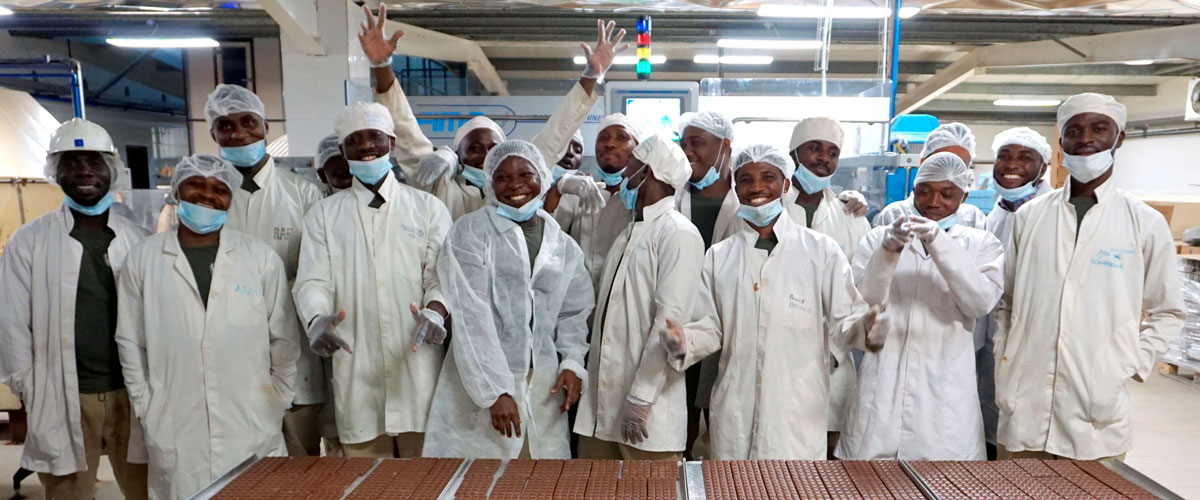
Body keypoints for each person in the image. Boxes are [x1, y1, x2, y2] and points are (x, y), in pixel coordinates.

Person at [658, 144, 881, 460]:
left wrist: (866, 327)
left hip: (796, 414)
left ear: (786, 185)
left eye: (768, 177)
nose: (756, 187)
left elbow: (846, 320)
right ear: (736, 188)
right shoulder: (720, 256)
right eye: (746, 179)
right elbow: (711, 327)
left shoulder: (820, 251)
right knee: (733, 484)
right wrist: (685, 341)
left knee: (793, 484)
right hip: (734, 411)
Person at [994, 93, 1185, 461]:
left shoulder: (1143, 223)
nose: (1085, 139)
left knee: (1095, 485)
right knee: (1019, 484)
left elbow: (1168, 311)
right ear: (1061, 141)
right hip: (1024, 402)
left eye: (1099, 129)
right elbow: (1007, 301)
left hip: (1097, 410)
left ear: (1119, 139)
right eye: (1073, 131)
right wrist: (1005, 358)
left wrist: (1128, 362)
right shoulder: (1030, 217)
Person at [116, 154, 299, 500]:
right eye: (196, 184)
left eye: (220, 189)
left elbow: (285, 339)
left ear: (231, 199)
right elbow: (129, 341)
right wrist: (145, 404)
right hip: (174, 420)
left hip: (252, 417)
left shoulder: (259, 258)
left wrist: (278, 397)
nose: (207, 195)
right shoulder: (144, 258)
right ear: (177, 190)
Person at [293, 101, 453, 458]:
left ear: (391, 142)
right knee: (364, 478)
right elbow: (313, 280)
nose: (365, 146)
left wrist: (436, 310)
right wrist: (316, 318)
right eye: (354, 140)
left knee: (425, 478)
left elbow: (440, 274)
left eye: (374, 137)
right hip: (356, 367)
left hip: (417, 366)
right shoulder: (323, 215)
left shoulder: (427, 208)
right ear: (343, 150)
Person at [0, 119, 149, 500]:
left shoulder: (138, 240)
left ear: (111, 170)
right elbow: (10, 322)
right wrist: (30, 387)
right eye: (72, 162)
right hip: (62, 393)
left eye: (94, 161)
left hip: (132, 393)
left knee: (148, 488)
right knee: (67, 492)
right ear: (55, 171)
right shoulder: (29, 241)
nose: (84, 170)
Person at [359, 5, 612, 220]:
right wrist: (382, 66)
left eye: (493, 147)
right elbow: (405, 130)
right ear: (458, 154)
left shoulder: (515, 188)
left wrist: (590, 78)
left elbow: (556, 135)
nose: (486, 154)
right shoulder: (439, 183)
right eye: (475, 147)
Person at [423, 140, 592, 459]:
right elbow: (470, 316)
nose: (515, 184)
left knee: (541, 476)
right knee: (480, 476)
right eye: (502, 177)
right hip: (481, 383)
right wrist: (495, 391)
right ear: (490, 182)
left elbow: (573, 311)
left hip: (544, 384)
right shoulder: (469, 233)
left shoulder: (562, 244)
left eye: (526, 174)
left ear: (543, 177)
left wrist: (571, 362)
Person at [836, 152, 1004, 461]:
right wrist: (887, 252)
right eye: (924, 191)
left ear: (964, 196)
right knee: (868, 482)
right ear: (913, 191)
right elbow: (863, 301)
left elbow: (978, 303)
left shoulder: (982, 244)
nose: (934, 201)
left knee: (945, 482)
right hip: (882, 387)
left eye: (947, 193)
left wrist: (940, 243)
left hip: (945, 395)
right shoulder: (878, 238)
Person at [204, 84, 326, 457]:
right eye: (226, 126)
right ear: (213, 134)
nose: (238, 133)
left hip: (296, 352)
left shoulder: (303, 194)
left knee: (301, 461)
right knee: (238, 464)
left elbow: (317, 273)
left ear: (266, 127)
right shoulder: (204, 198)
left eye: (248, 122)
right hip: (226, 346)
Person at [573, 134, 702, 461]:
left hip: (648, 418)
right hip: (602, 411)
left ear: (647, 172)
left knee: (650, 486)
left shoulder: (678, 234)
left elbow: (670, 322)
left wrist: (642, 397)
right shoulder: (630, 231)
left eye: (631, 167)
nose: (625, 176)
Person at [784, 116, 872, 457]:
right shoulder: (772, 207)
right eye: (814, 148)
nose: (823, 158)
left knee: (830, 448)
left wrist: (836, 348)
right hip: (779, 348)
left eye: (832, 152)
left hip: (835, 356)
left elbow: (860, 289)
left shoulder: (850, 215)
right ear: (794, 152)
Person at [974, 126, 1054, 459]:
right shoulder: (995, 216)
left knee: (1033, 444)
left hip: (1037, 344)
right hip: (992, 338)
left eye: (1024, 157)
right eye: (1004, 156)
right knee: (995, 429)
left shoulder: (1052, 215)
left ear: (1042, 168)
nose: (1011, 165)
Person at [551, 114, 641, 289]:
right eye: (603, 138)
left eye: (622, 137)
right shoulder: (578, 193)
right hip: (577, 296)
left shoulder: (641, 199)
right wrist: (558, 188)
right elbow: (548, 237)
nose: (610, 144)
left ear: (637, 149)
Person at [312, 133, 351, 458]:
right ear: (322, 175)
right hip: (326, 326)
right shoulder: (317, 211)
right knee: (337, 430)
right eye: (337, 172)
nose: (347, 176)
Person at [873, 122, 987, 229]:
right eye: (941, 161)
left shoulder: (972, 218)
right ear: (923, 162)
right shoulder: (894, 215)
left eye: (959, 165)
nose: (934, 202)